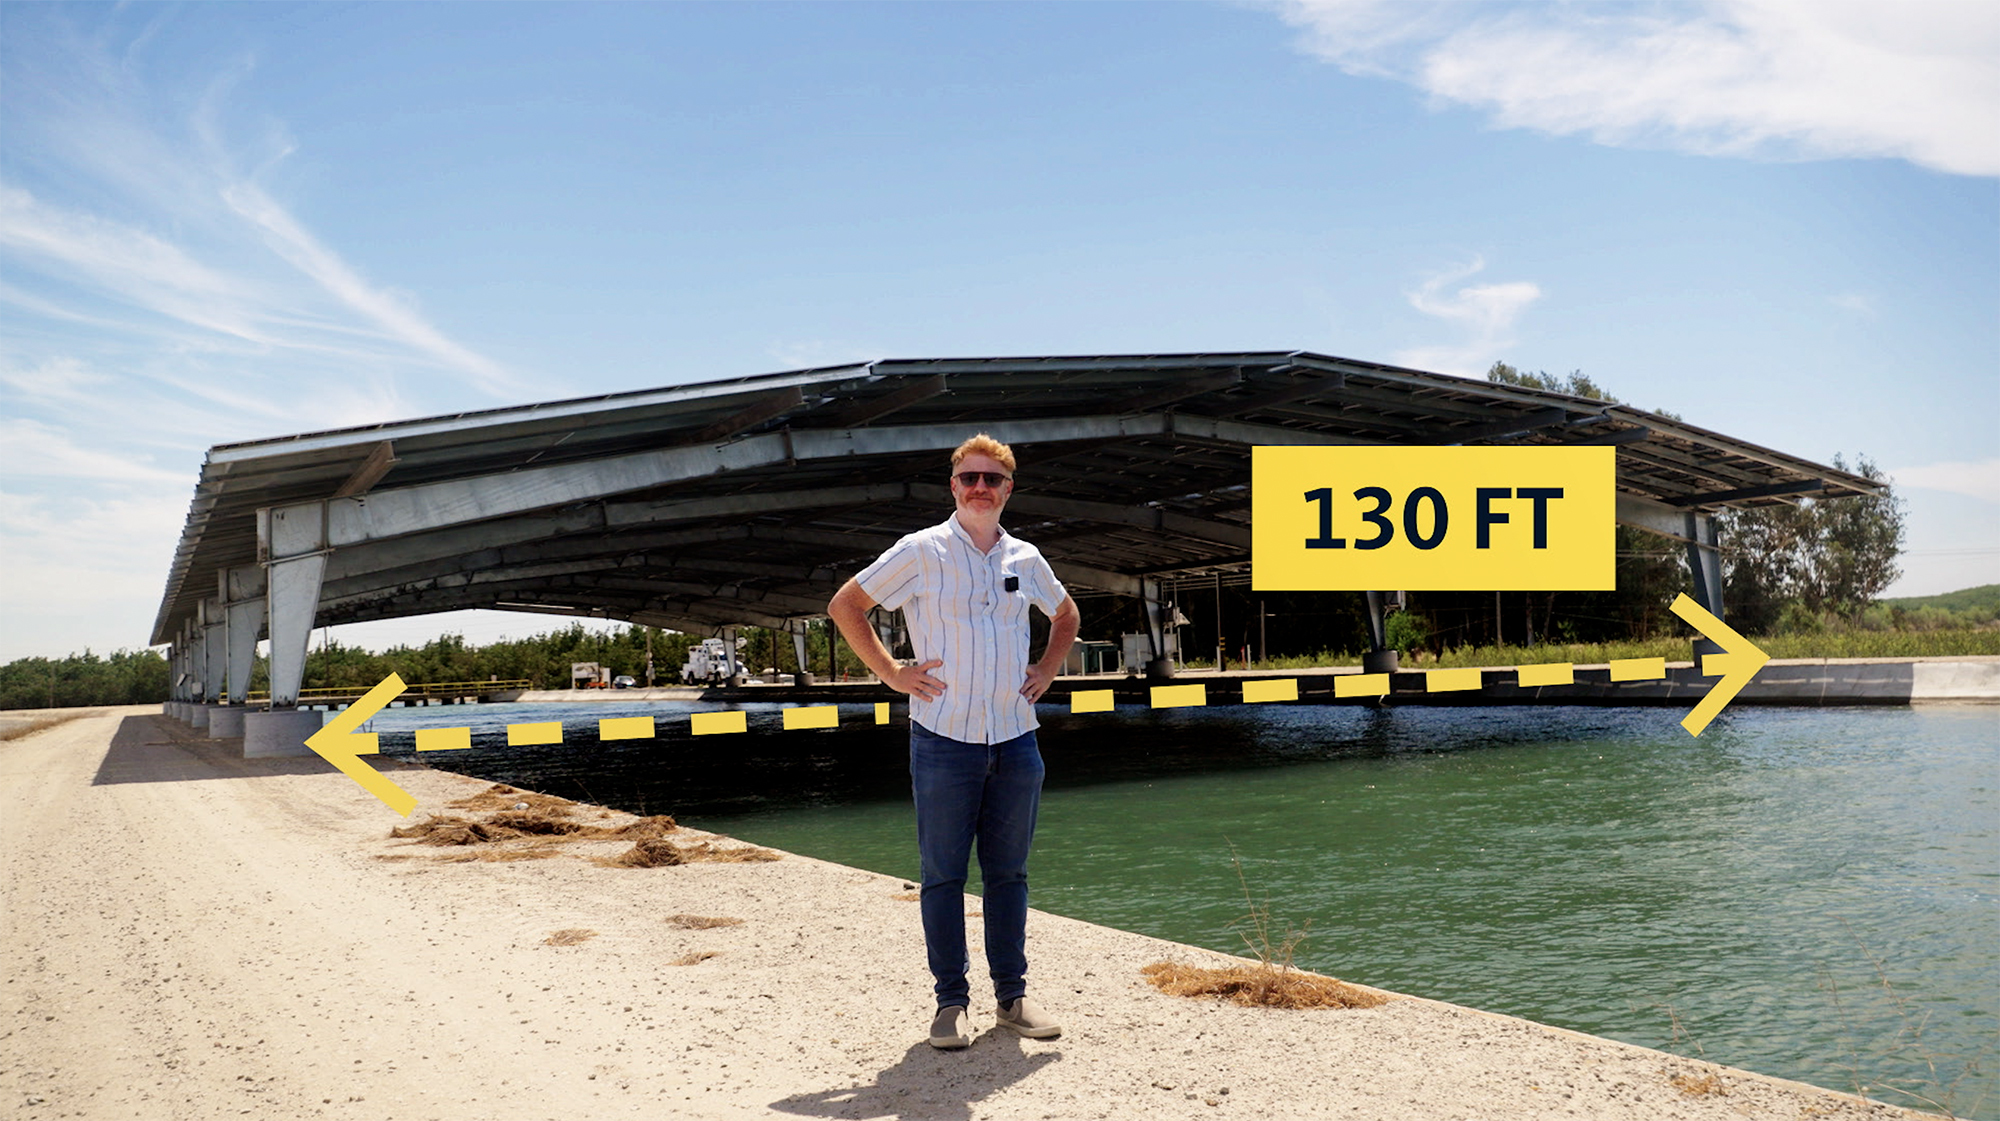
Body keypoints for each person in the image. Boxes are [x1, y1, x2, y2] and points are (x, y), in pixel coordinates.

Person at [827, 433, 1080, 1050]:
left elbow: (1067, 616)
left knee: (1009, 875)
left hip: (1016, 740)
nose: (980, 488)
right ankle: (950, 1004)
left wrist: (1045, 670)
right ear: (953, 487)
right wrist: (892, 673)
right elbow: (846, 605)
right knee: (943, 876)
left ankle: (1013, 1000)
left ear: (1008, 488)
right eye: (969, 478)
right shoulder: (921, 551)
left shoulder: (1025, 557)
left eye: (992, 479)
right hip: (944, 739)